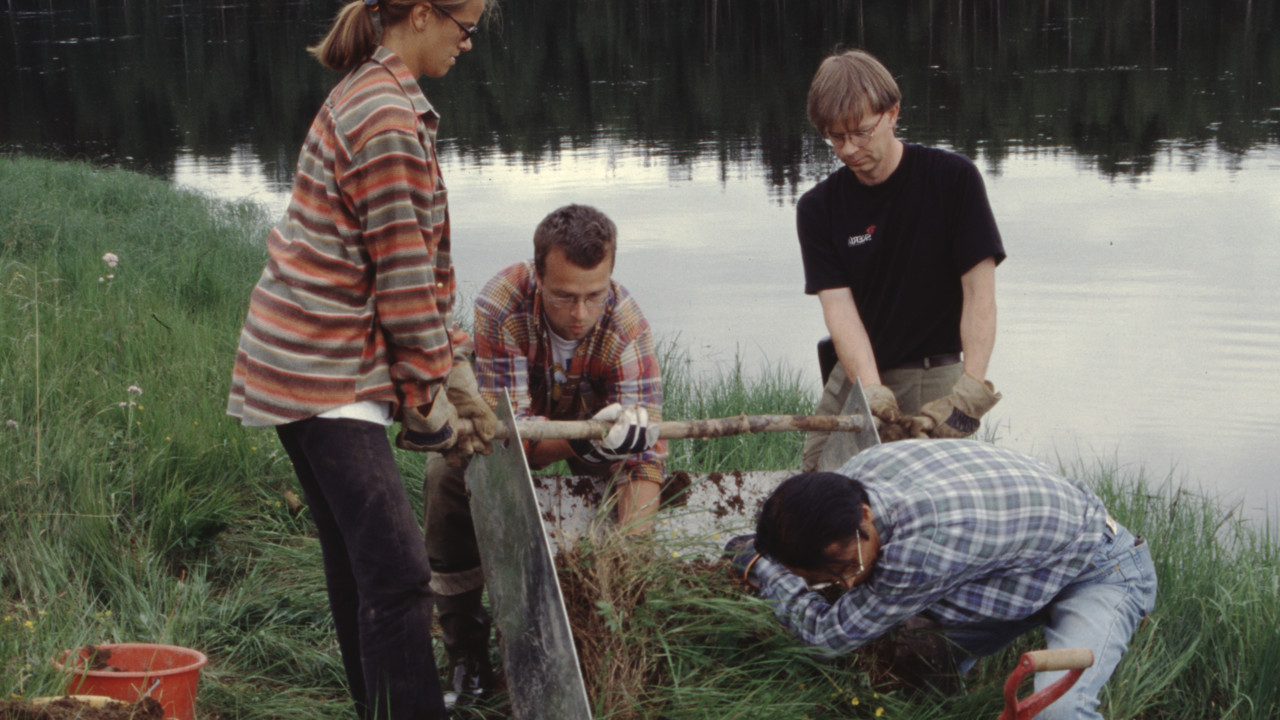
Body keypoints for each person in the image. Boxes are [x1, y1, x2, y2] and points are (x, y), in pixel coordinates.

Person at [225, 1, 496, 717]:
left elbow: (415, 266)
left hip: (304, 357)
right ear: (418, 15)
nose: (468, 43)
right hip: (324, 370)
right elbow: (403, 277)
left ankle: (377, 706)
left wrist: (455, 363)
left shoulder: (376, 91)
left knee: (359, 561)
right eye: (464, 26)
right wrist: (428, 395)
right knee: (402, 576)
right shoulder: (385, 117)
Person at [423, 203, 665, 706]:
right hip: (529, 436)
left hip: (595, 448)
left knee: (640, 487)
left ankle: (605, 633)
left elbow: (645, 458)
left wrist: (626, 561)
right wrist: (585, 438)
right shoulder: (501, 304)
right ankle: (466, 648)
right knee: (445, 478)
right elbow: (512, 443)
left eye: (594, 296)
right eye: (563, 297)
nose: (580, 314)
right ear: (538, 275)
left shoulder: (627, 327)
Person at [726, 440, 1157, 720]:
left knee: (1055, 713)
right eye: (827, 577)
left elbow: (823, 637)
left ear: (863, 515)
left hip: (1098, 568)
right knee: (918, 688)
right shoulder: (859, 474)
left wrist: (760, 567)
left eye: (847, 565)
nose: (850, 583)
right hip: (1012, 570)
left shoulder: (921, 549)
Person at [796, 49, 1006, 471]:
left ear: (893, 113)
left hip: (935, 373)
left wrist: (970, 391)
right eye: (835, 138)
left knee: (924, 493)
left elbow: (978, 294)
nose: (849, 150)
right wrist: (870, 390)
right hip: (859, 373)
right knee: (817, 479)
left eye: (860, 132)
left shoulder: (953, 180)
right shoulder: (818, 208)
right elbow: (840, 311)